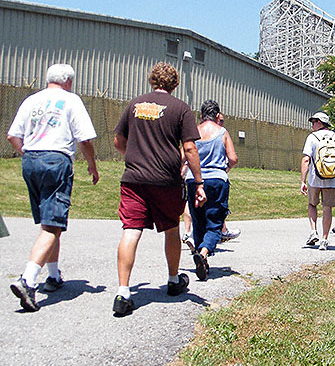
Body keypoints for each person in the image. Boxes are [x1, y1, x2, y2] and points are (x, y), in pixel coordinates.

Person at [112, 62, 206, 316]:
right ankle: (174, 280)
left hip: (134, 178)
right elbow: (189, 148)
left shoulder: (134, 105)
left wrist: (134, 157)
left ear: (151, 80)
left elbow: (118, 141)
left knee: (131, 230)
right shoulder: (181, 108)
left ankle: (123, 292)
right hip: (166, 180)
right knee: (171, 228)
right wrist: (198, 182)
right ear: (174, 84)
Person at [7, 63, 99, 312]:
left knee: (48, 223)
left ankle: (54, 275)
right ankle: (27, 279)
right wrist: (92, 165)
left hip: (30, 159)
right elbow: (85, 138)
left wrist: (27, 153)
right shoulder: (71, 100)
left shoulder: (31, 101)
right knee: (52, 225)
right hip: (56, 160)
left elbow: (12, 136)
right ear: (69, 81)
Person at [184, 100, 238, 280]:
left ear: (201, 116)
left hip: (194, 180)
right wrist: (224, 169)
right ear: (217, 116)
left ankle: (201, 259)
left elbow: (184, 155)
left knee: (198, 220)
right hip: (216, 180)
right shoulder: (222, 132)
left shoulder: (193, 132)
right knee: (215, 221)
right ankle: (204, 253)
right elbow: (233, 158)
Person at [300, 111, 335, 250]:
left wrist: (303, 181)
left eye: (314, 122)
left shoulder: (312, 137)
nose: (312, 125)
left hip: (315, 179)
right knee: (327, 208)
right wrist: (332, 164)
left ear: (320, 123)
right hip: (332, 179)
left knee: (312, 204)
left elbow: (306, 159)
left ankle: (313, 231)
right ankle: (324, 239)